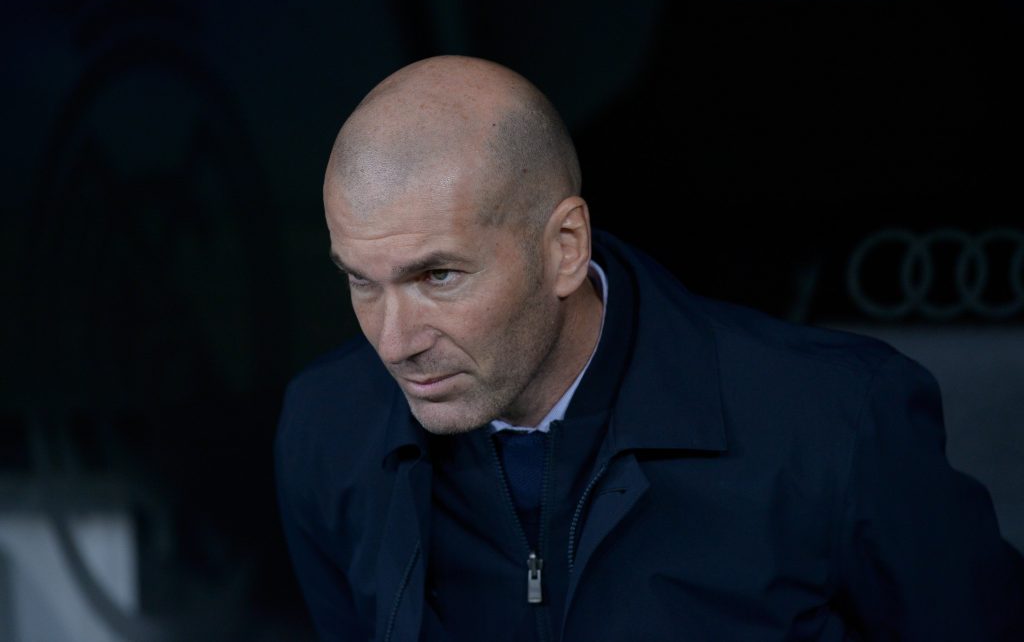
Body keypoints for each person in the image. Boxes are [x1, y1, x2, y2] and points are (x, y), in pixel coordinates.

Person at [275, 55, 1024, 641]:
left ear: (565, 248)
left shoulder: (834, 424)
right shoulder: (328, 424)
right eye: (361, 281)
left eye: (439, 275)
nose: (394, 342)